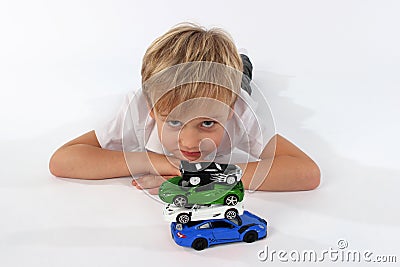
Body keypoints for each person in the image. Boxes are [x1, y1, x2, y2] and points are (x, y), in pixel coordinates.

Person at [49, 23, 320, 195]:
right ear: (153, 110)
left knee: (243, 77)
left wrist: (205, 175)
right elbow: (62, 160)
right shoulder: (138, 109)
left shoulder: (240, 111)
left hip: (238, 86)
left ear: (229, 110)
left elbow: (307, 172)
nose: (190, 143)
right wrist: (150, 160)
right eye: (175, 123)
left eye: (207, 123)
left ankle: (242, 61)